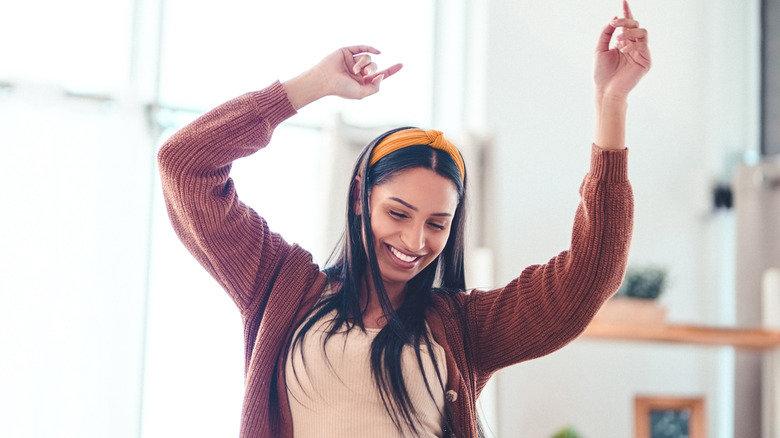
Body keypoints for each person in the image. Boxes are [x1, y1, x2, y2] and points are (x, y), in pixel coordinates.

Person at [157, 1, 650, 436]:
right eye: (398, 212)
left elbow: (592, 272)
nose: (416, 239)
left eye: (438, 223)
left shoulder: (465, 329)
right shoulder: (278, 286)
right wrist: (310, 86)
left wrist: (612, 103)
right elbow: (185, 163)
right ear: (359, 198)